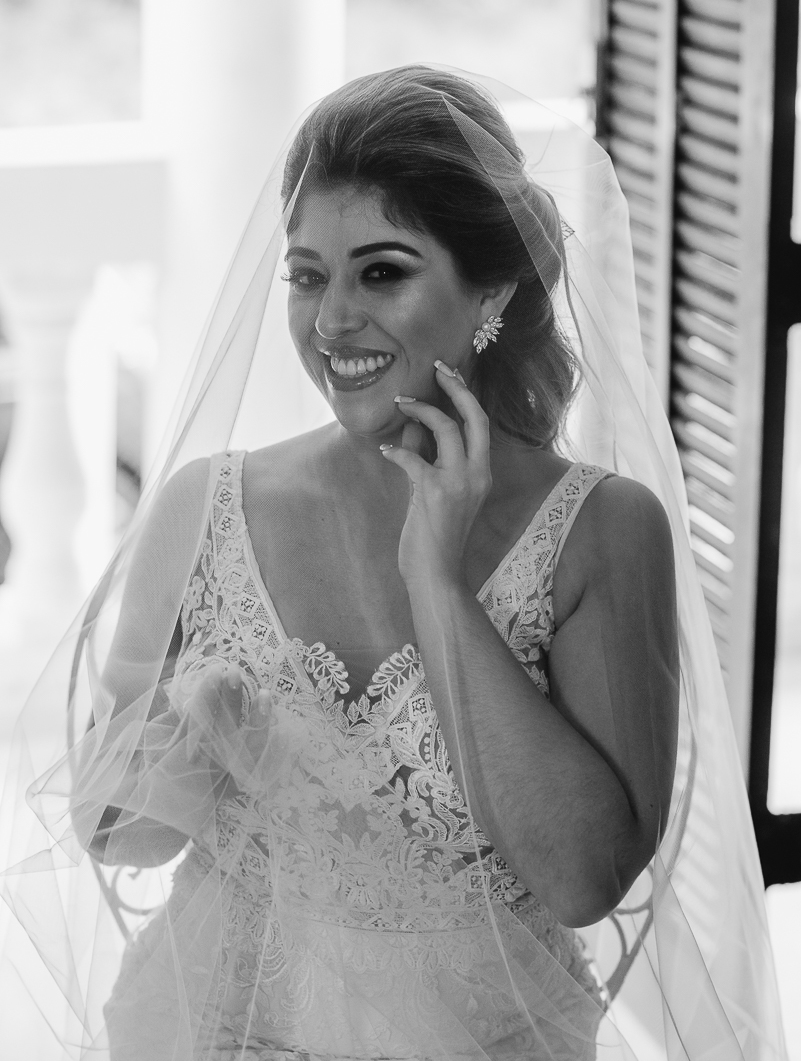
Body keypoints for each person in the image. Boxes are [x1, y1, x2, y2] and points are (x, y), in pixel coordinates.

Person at [0, 66, 787, 1061]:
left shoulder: (601, 530)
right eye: (307, 276)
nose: (331, 321)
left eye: (381, 273)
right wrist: (195, 739)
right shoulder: (205, 511)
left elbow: (581, 878)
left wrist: (438, 583)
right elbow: (116, 835)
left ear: (491, 290)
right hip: (217, 1034)